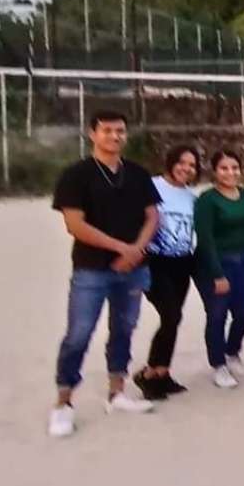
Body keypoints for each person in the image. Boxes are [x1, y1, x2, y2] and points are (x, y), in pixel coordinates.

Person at [49, 110, 160, 438]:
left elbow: (152, 217)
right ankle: (63, 403)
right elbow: (75, 224)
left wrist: (136, 250)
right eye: (107, 130)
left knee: (124, 329)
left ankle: (117, 392)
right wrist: (120, 248)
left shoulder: (137, 174)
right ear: (92, 133)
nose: (114, 136)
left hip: (134, 270)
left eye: (120, 131)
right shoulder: (77, 175)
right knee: (79, 334)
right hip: (91, 270)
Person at [134, 145, 198, 401]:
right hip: (154, 261)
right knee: (170, 314)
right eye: (182, 162)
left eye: (192, 165)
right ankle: (148, 374)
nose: (186, 168)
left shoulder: (191, 197)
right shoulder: (151, 186)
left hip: (182, 262)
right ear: (171, 162)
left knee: (174, 317)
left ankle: (163, 372)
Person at [193, 150, 244, 389]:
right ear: (215, 171)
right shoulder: (207, 200)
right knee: (218, 315)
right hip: (216, 262)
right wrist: (217, 274)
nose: (230, 173)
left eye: (234, 168)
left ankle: (232, 353)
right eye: (224, 168)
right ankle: (218, 365)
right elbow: (205, 238)